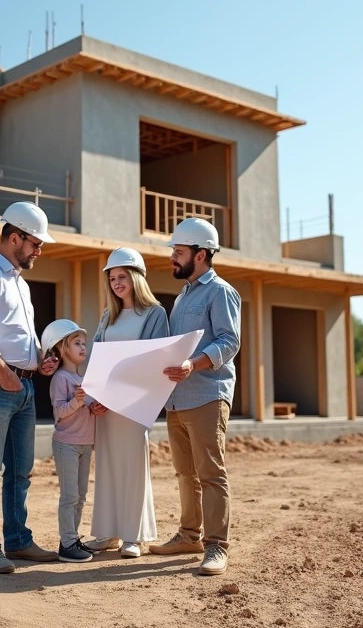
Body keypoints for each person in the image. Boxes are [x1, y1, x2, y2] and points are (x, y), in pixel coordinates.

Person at [0, 202, 61, 574]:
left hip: (22, 385)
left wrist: (39, 361)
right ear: (14, 236)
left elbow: (20, 338)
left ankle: (17, 541)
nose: (39, 251)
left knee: (21, 471)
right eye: (35, 243)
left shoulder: (20, 283)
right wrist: (4, 373)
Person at [149, 218, 241, 577]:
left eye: (179, 251)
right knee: (185, 473)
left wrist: (193, 364)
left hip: (207, 395)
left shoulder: (220, 292)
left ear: (200, 254)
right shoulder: (185, 294)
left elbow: (229, 341)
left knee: (210, 473)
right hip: (177, 398)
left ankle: (216, 545)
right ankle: (190, 535)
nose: (173, 257)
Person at [84, 247, 169, 559]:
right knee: (107, 466)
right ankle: (107, 533)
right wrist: (95, 397)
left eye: (121, 276)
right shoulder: (109, 316)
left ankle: (133, 537)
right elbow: (97, 358)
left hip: (134, 407)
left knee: (133, 468)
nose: (116, 282)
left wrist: (118, 396)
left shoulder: (155, 314)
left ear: (136, 277)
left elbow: (154, 362)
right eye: (112, 277)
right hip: (106, 407)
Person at [41, 319, 99, 563]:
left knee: (82, 495)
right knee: (69, 496)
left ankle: (73, 539)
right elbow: (60, 412)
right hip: (67, 443)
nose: (83, 347)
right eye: (77, 343)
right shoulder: (61, 379)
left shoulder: (85, 379)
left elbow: (84, 409)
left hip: (86, 443)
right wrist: (77, 401)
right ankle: (66, 544)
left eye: (84, 343)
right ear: (63, 348)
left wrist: (94, 407)